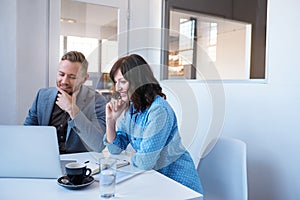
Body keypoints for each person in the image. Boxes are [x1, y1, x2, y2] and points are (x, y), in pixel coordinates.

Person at [104, 54, 203, 193]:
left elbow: (145, 162)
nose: (117, 88)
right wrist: (111, 120)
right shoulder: (133, 109)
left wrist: (131, 156)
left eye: (122, 82)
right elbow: (114, 149)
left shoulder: (159, 110)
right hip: (156, 181)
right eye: (116, 82)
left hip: (179, 186)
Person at [24, 51, 106, 154]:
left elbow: (98, 145)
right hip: (45, 158)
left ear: (84, 78)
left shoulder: (97, 101)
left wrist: (72, 110)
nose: (64, 81)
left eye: (72, 77)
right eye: (61, 74)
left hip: (79, 164)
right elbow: (27, 133)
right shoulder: (42, 96)